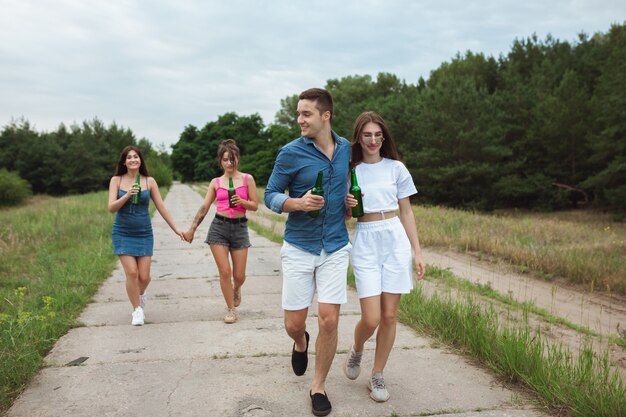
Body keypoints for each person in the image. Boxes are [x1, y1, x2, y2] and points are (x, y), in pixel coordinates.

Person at [264, 88, 351, 417]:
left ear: (325, 116)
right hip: (300, 246)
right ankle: (300, 342)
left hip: (336, 245)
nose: (299, 119)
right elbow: (270, 194)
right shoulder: (289, 153)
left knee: (329, 320)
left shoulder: (346, 150)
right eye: (298, 114)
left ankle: (318, 386)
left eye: (306, 114)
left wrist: (349, 202)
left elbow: (347, 184)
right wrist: (296, 203)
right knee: (293, 323)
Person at [343, 111, 426, 402]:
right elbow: (345, 216)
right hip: (365, 238)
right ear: (359, 137)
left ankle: (376, 374)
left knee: (390, 315)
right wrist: (347, 204)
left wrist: (417, 251)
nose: (373, 140)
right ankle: (356, 349)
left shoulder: (396, 168)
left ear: (384, 137)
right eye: (367, 135)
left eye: (378, 135)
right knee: (372, 317)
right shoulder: (350, 169)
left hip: (394, 238)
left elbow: (407, 211)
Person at [182, 139, 258, 324]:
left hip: (240, 227)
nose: (229, 163)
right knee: (225, 272)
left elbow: (255, 205)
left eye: (232, 159)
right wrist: (192, 229)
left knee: (239, 276)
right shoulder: (216, 182)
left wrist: (243, 202)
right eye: (225, 159)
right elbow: (204, 207)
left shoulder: (247, 179)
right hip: (219, 228)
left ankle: (236, 287)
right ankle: (231, 309)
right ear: (220, 161)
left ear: (238, 158)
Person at [108, 145, 184, 326]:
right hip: (123, 232)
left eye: (136, 156)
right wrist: (126, 196)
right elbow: (111, 208)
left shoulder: (149, 181)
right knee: (132, 273)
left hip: (143, 233)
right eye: (129, 157)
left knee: (144, 277)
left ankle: (139, 296)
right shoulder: (116, 180)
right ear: (124, 162)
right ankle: (137, 310)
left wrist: (176, 229)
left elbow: (162, 207)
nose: (133, 160)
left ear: (140, 160)